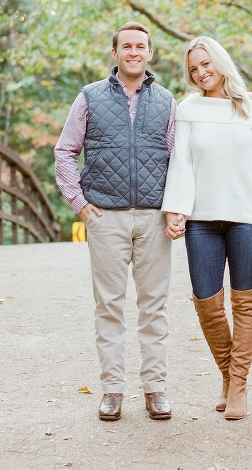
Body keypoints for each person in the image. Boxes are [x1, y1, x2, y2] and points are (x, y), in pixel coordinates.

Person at [54, 23, 176, 422]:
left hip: (154, 218)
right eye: (127, 46)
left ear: (150, 54)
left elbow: (180, 162)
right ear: (115, 53)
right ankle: (112, 390)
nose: (134, 52)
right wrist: (81, 205)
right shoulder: (89, 97)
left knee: (154, 307)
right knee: (109, 307)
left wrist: (176, 208)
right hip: (106, 218)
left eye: (141, 46)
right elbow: (65, 152)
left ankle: (155, 389)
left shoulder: (167, 101)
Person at [161, 36, 252, 420]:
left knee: (245, 301)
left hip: (246, 217)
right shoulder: (187, 109)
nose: (201, 73)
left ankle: (239, 386)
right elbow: (181, 163)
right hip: (201, 220)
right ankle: (228, 377)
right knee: (207, 304)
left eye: (205, 64)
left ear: (220, 62)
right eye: (194, 69)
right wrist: (175, 209)